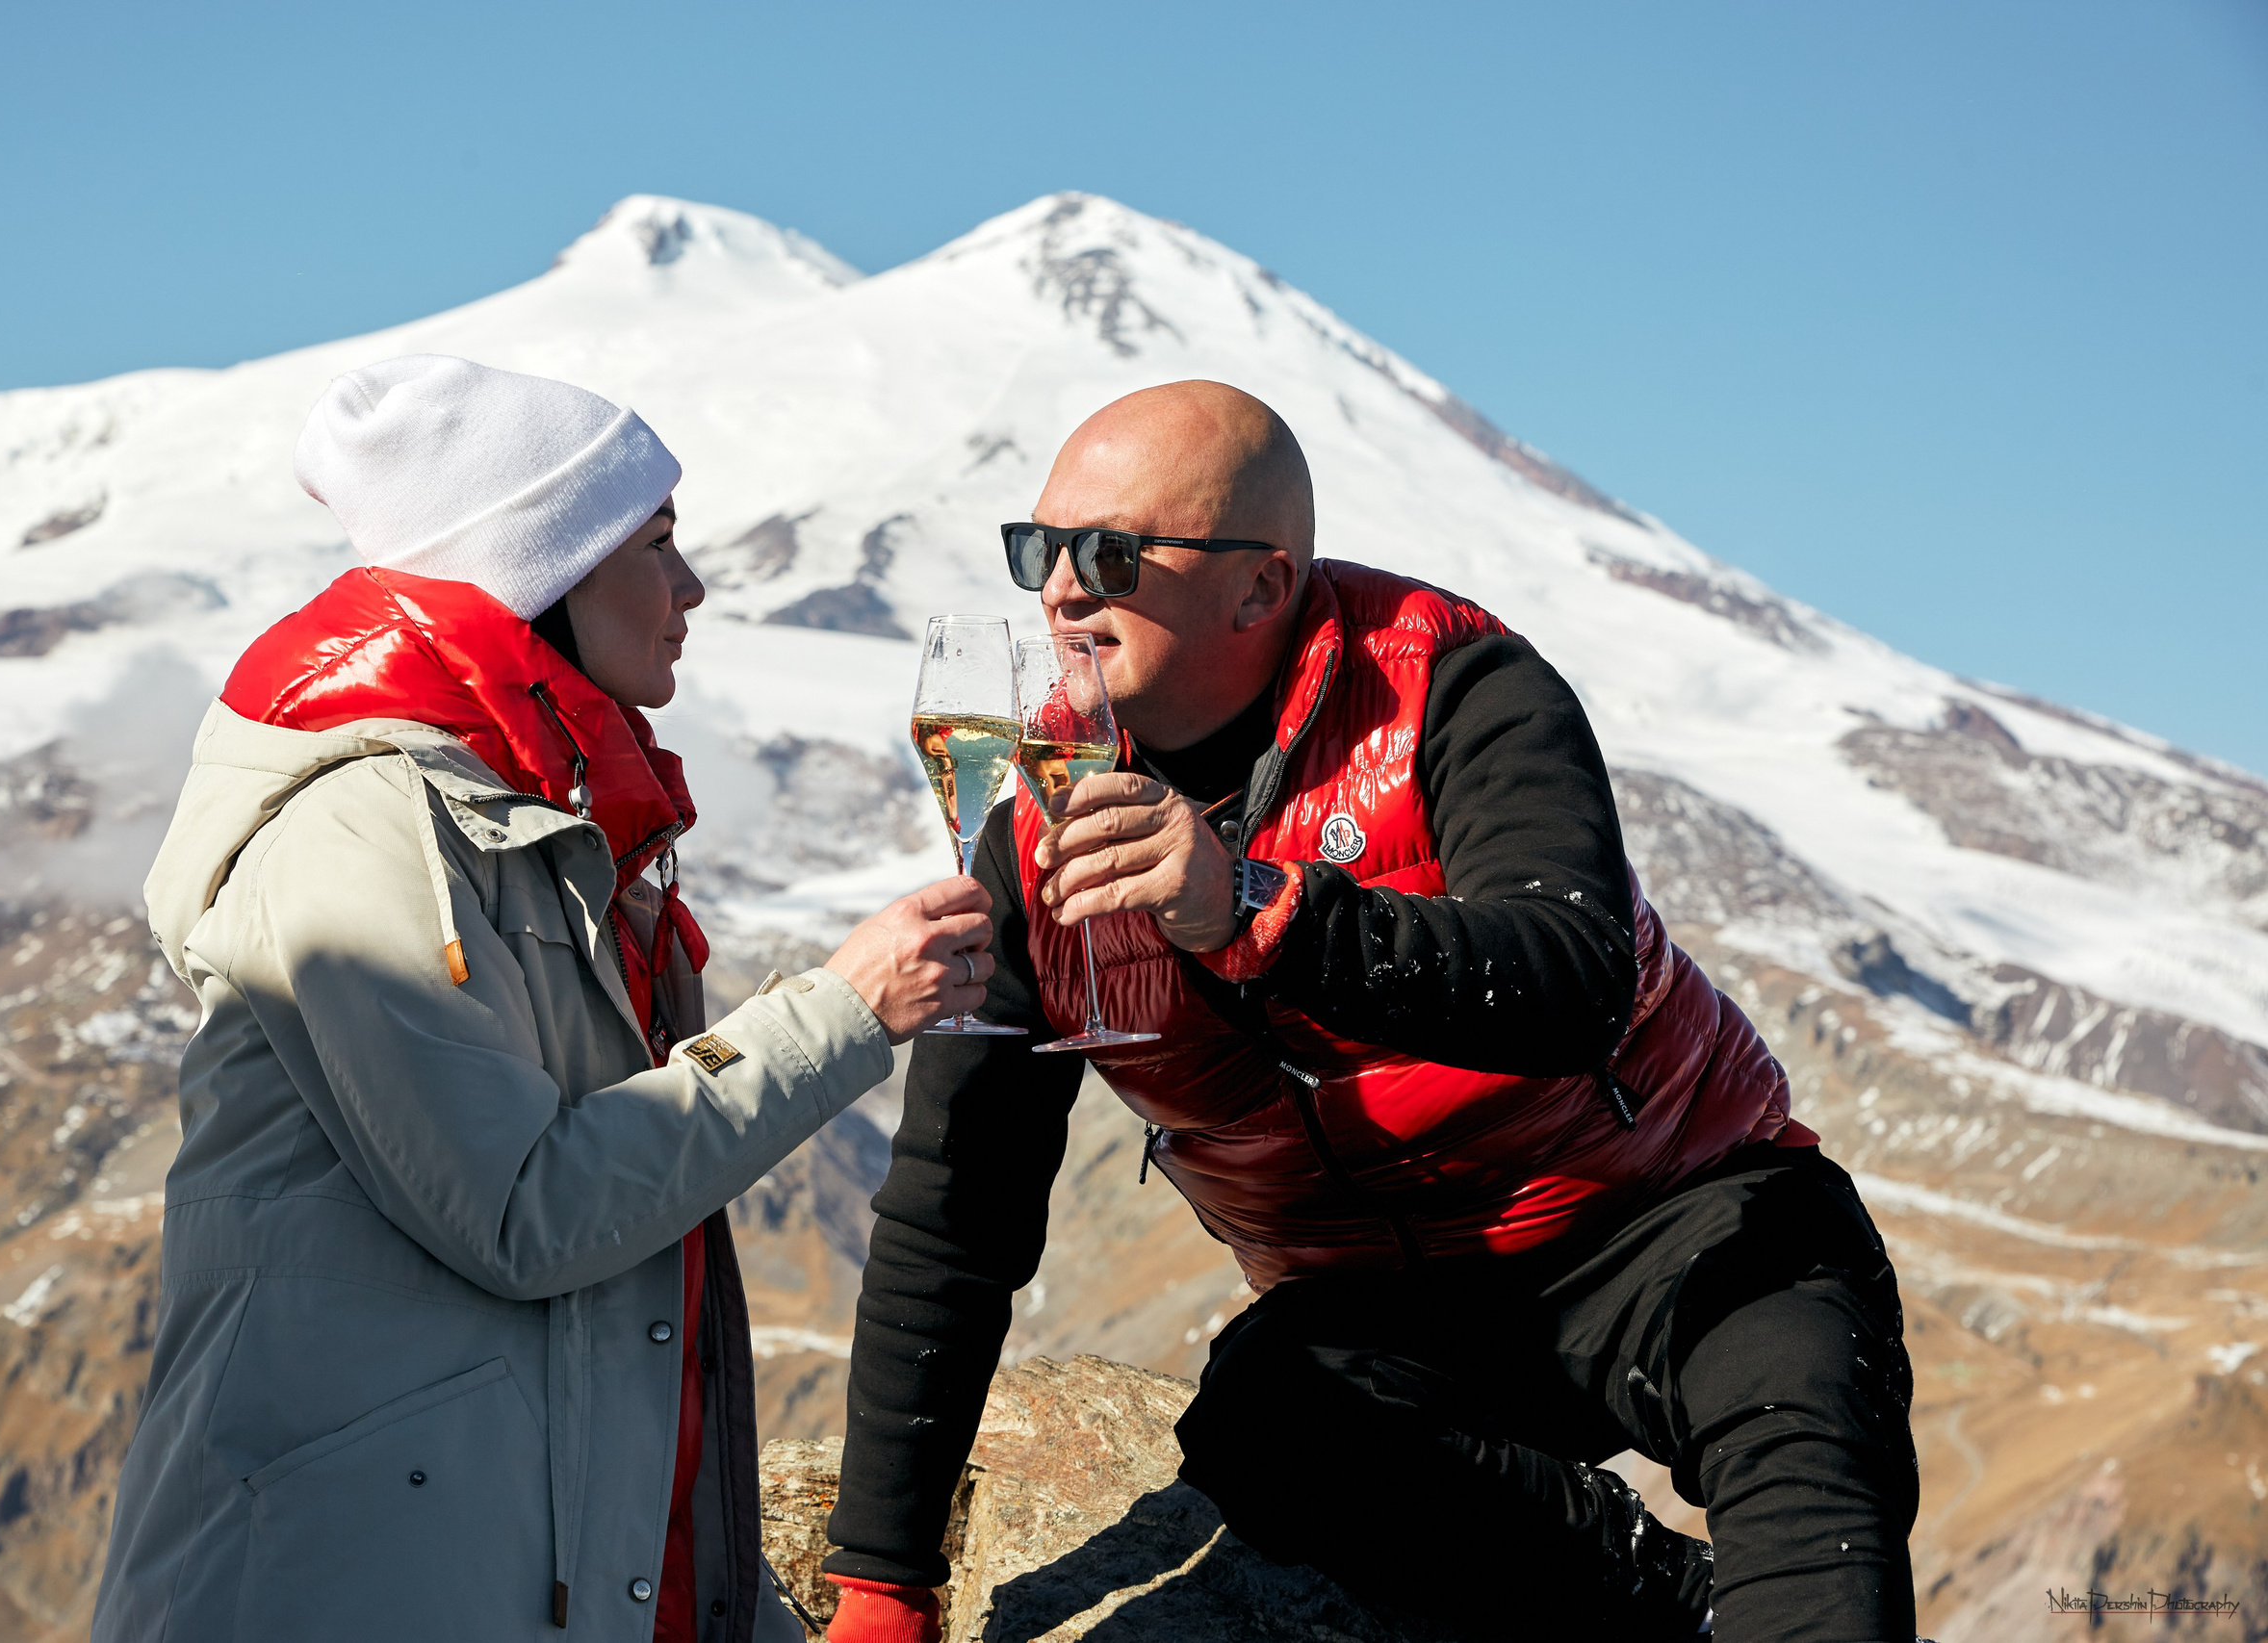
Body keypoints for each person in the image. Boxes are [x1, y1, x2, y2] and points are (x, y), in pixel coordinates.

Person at [820, 382, 1919, 1642]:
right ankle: (1674, 1611)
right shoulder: (1036, 826)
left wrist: (1256, 910)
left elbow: (1574, 981)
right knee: (1267, 1422)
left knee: (1808, 1481)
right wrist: (881, 1588)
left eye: (1111, 553)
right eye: (1041, 550)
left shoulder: (1457, 689)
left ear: (1260, 586)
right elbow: (958, 1212)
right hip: (1380, 1311)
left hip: (1677, 1226)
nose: (1062, 588)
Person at [93, 355, 996, 1643]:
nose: (693, 587)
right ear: (542, 569)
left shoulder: (543, 823)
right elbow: (525, 1213)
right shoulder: (359, 827)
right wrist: (841, 1014)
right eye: (660, 542)